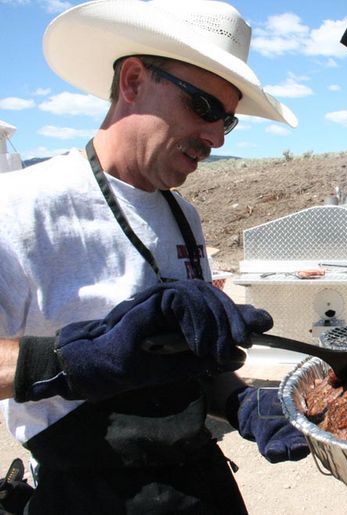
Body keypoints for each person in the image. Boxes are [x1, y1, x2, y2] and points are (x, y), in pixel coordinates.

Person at [0, 1, 309, 513]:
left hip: (199, 482)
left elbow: (187, 360)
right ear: (134, 80)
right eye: (205, 107)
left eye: (227, 122)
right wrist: (78, 359)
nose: (214, 137)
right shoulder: (20, 208)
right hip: (87, 493)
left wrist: (237, 399)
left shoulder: (184, 214)